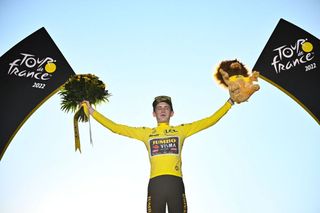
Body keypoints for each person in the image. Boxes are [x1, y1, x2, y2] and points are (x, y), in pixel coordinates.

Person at [81, 88, 247, 213]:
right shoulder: (146, 133)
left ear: (172, 113)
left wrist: (230, 102)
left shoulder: (181, 130)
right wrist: (92, 111)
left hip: (175, 183)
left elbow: (210, 120)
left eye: (166, 107)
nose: (162, 110)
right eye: (159, 108)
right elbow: (116, 128)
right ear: (154, 113)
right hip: (155, 184)